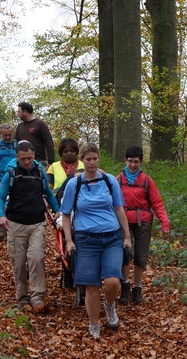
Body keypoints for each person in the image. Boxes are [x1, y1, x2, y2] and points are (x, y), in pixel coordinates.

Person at [60, 142, 131, 339]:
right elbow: (65, 214)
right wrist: (69, 241)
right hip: (86, 238)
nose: (92, 163)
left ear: (99, 158)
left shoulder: (109, 181)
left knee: (112, 281)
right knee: (91, 285)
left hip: (111, 237)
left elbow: (119, 209)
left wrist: (127, 236)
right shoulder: (75, 184)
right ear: (82, 161)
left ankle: (109, 305)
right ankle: (94, 323)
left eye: (95, 158)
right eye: (88, 159)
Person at [0, 141, 59, 313]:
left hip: (37, 223)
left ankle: (37, 297)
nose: (27, 162)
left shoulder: (39, 172)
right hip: (16, 224)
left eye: (30, 158)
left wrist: (59, 212)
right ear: (17, 158)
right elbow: (0, 197)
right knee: (19, 262)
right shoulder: (11, 173)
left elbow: (48, 194)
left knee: (36, 258)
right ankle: (22, 297)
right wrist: (0, 215)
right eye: (23, 159)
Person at [117, 146, 170, 304]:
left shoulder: (147, 181)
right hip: (123, 222)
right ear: (125, 161)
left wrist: (164, 223)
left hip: (143, 222)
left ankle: (137, 288)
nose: (133, 165)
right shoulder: (117, 180)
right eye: (130, 161)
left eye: (136, 162)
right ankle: (125, 286)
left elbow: (157, 203)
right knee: (125, 254)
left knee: (141, 256)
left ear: (141, 162)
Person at [15, 102, 55, 167]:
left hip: (40, 162)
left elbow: (49, 143)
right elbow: (15, 144)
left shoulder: (40, 124)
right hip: (23, 163)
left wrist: (50, 162)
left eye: (19, 112)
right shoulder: (19, 126)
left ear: (24, 111)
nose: (18, 114)